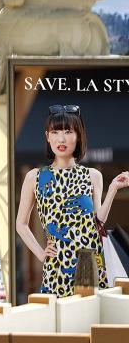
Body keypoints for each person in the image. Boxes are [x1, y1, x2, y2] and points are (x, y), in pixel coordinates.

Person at [16, 105, 129, 296]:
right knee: (59, 321)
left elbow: (98, 220)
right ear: (47, 136)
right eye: (55, 131)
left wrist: (113, 189)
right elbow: (21, 224)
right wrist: (41, 254)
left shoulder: (93, 175)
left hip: (89, 261)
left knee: (88, 320)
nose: (61, 138)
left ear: (78, 136)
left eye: (68, 131)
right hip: (57, 264)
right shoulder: (35, 177)